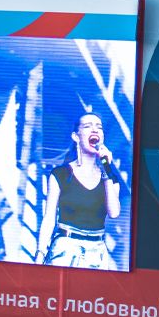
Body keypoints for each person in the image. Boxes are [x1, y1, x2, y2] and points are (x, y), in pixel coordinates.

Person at [37, 111, 123, 269]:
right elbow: (49, 218)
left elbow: (114, 212)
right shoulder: (60, 174)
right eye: (88, 126)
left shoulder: (110, 178)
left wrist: (106, 168)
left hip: (97, 253)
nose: (95, 130)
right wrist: (40, 255)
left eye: (99, 127)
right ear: (76, 136)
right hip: (65, 249)